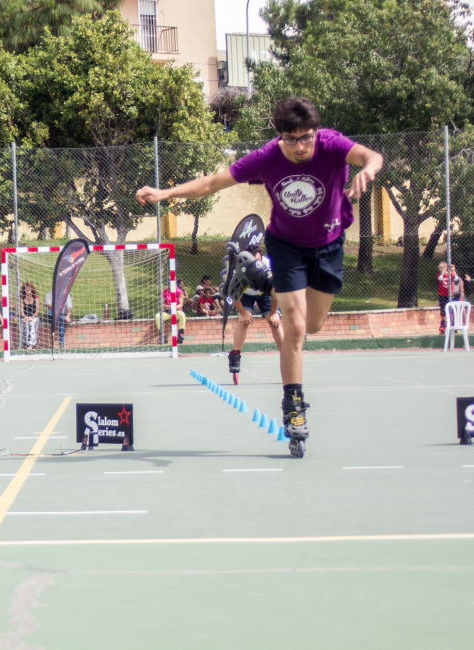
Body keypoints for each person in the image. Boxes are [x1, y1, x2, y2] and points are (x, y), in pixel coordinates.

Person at [137, 96, 384, 453]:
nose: (300, 147)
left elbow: (371, 156)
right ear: (279, 135)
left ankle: (266, 281)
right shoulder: (267, 156)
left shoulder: (332, 144)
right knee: (295, 327)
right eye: (291, 139)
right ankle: (293, 406)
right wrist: (166, 193)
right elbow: (212, 183)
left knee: (313, 326)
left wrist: (369, 170)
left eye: (306, 138)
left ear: (316, 132)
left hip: (329, 245)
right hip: (285, 246)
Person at [227, 244, 285, 379]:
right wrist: (243, 312)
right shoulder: (239, 267)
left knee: (274, 322)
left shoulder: (268, 265)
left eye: (257, 261)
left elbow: (275, 289)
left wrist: (274, 312)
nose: (255, 265)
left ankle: (286, 354)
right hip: (245, 293)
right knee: (244, 322)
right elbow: (232, 293)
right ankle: (235, 355)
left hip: (265, 292)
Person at [155, 279, 188, 345]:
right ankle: (162, 335)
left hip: (176, 311)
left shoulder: (179, 291)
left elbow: (180, 305)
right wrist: (166, 306)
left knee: (182, 315)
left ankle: (180, 334)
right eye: (170, 283)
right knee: (158, 316)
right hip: (168, 312)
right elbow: (162, 304)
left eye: (173, 283)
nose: (172, 285)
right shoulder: (164, 292)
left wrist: (173, 307)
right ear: (168, 284)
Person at [437, 261, 465, 334]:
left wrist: (453, 270)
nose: (443, 268)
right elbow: (440, 279)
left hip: (450, 295)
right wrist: (443, 272)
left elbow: (456, 279)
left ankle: (453, 325)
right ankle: (443, 323)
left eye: (444, 267)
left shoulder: (451, 274)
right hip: (442, 295)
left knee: (451, 310)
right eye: (441, 267)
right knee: (443, 310)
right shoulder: (439, 275)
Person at [18, 282, 40, 349]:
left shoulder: (35, 297)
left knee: (32, 324)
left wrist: (32, 317)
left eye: (29, 287)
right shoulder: (22, 298)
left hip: (34, 316)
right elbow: (21, 310)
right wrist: (24, 317)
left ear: (31, 288)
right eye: (25, 288)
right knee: (25, 324)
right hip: (25, 316)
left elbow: (37, 310)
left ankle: (31, 344)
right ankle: (25, 343)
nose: (27, 289)